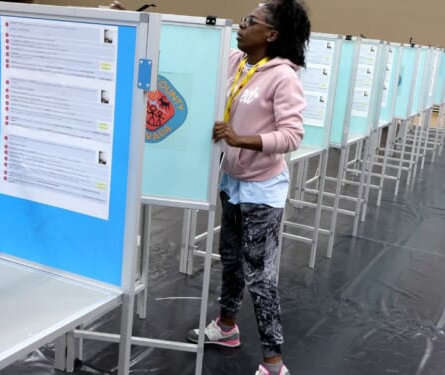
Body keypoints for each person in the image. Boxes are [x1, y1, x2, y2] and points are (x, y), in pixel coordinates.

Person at [187, 2, 310, 375]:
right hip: (233, 182)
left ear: (271, 34)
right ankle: (227, 327)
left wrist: (241, 139)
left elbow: (292, 135)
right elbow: (198, 45)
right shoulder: (238, 63)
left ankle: (274, 363)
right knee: (231, 261)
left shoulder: (283, 77)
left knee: (260, 276)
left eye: (250, 22)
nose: (241, 26)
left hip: (262, 190)